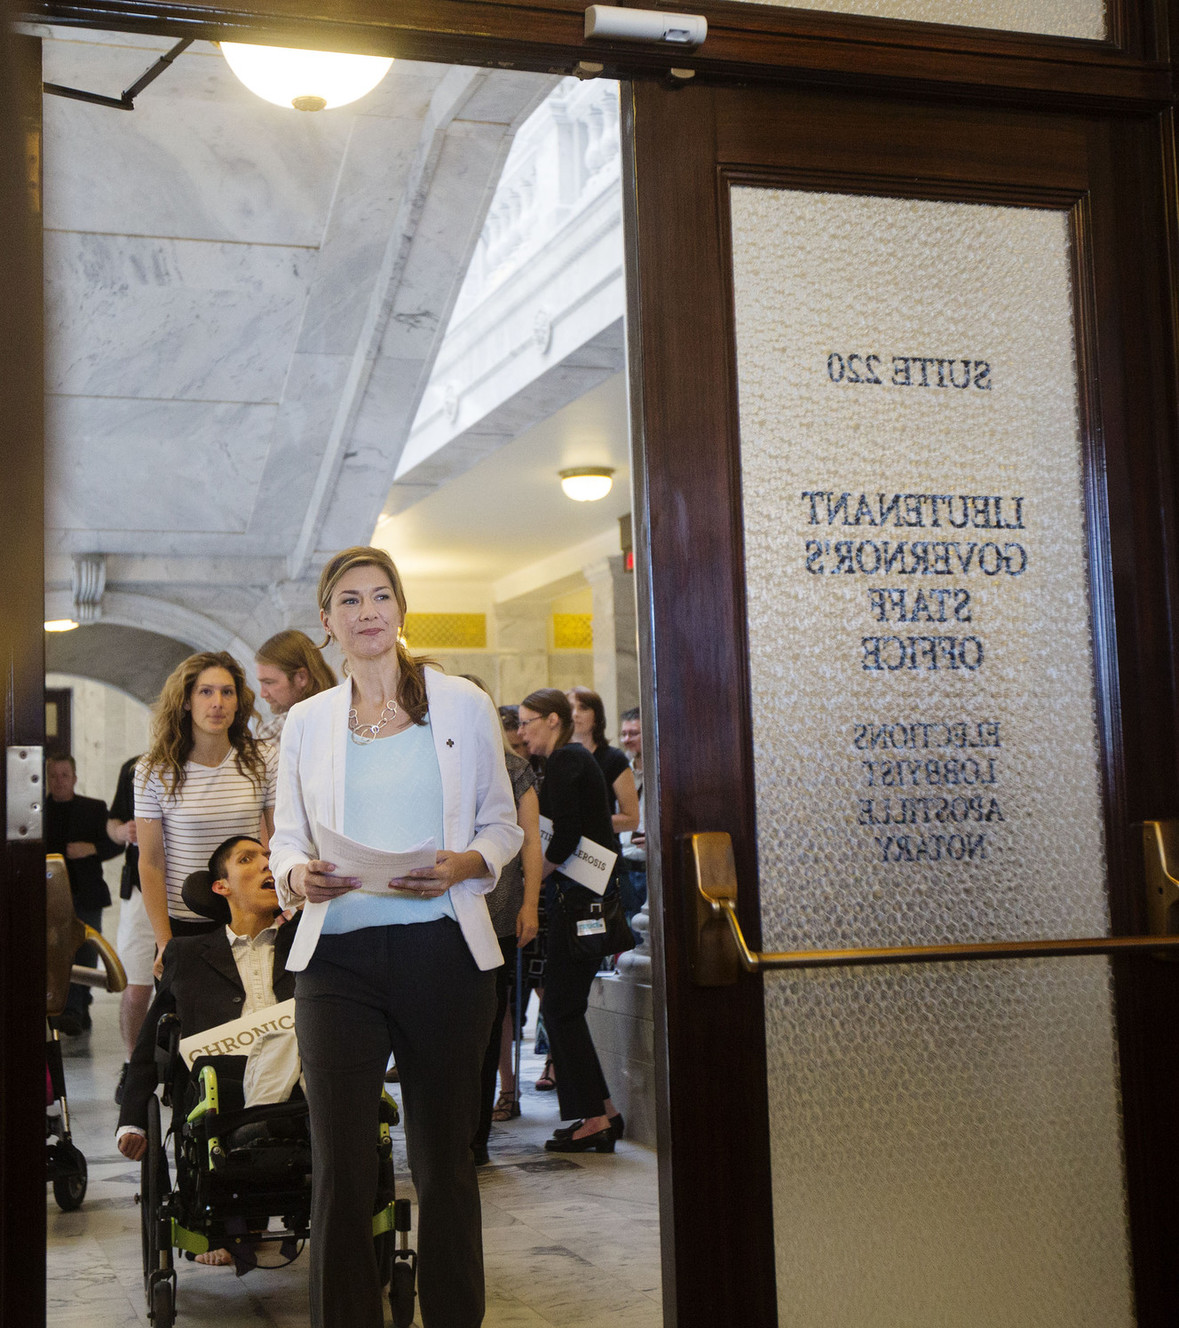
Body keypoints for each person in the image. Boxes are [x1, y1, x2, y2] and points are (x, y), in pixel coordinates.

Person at [269, 545, 522, 1328]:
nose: (367, 611)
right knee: (343, 1167)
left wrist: (465, 864)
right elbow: (283, 838)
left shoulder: (460, 704)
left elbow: (501, 825)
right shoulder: (306, 721)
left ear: (401, 611)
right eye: (349, 600)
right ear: (327, 624)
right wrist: (295, 876)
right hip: (336, 957)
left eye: (381, 596)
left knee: (443, 1160)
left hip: (442, 952)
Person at [115, 835, 299, 1265]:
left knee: (304, 1036)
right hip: (219, 1090)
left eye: (271, 857)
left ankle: (262, 1131)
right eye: (248, 859)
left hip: (301, 1073)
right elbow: (151, 1041)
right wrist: (132, 1121)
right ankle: (251, 1155)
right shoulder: (189, 953)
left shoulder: (305, 941)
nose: (266, 865)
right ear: (222, 886)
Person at [516, 688, 624, 1153]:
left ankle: (595, 1117)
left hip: (579, 905)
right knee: (564, 1006)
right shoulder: (569, 762)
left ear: (554, 720)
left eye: (527, 722)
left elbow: (563, 840)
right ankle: (604, 1112)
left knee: (560, 1007)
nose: (521, 733)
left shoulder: (566, 762)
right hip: (580, 903)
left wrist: (532, 884)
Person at [136, 652, 277, 975]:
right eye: (206, 692)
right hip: (185, 920)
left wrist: (285, 903)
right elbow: (151, 862)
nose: (218, 703)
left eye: (227, 692)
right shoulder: (154, 769)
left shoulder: (262, 759)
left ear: (238, 701)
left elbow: (281, 839)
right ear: (186, 701)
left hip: (250, 913)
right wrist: (164, 940)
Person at [462, 677, 542, 1165]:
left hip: (498, 911)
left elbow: (531, 842)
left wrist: (530, 903)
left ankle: (476, 1139)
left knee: (490, 1022)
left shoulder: (515, 770)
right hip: (447, 913)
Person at [45, 754, 122, 1035]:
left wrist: (91, 849)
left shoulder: (94, 808)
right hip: (51, 898)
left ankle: (79, 1009)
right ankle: (68, 1010)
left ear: (75, 778)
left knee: (85, 953)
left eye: (65, 775)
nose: (59, 781)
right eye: (53, 775)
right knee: (55, 955)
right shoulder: (37, 811)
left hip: (87, 895)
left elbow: (116, 845)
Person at [107, 753, 154, 1102]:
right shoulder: (136, 767)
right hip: (139, 887)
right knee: (136, 987)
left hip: (193, 885)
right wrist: (122, 831)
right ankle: (131, 1064)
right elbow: (113, 821)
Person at [567, 686, 640, 839]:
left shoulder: (614, 758)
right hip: (564, 853)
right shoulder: (557, 758)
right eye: (570, 708)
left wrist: (579, 824)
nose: (575, 714)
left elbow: (631, 820)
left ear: (596, 717)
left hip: (603, 852)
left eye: (583, 708)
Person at [255, 628, 338, 740]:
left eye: (269, 682)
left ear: (301, 677)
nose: (263, 694)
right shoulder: (344, 714)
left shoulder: (275, 733)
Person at [618, 707, 647, 920]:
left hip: (651, 868)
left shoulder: (661, 773)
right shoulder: (620, 774)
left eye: (633, 733)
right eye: (624, 734)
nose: (627, 739)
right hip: (626, 867)